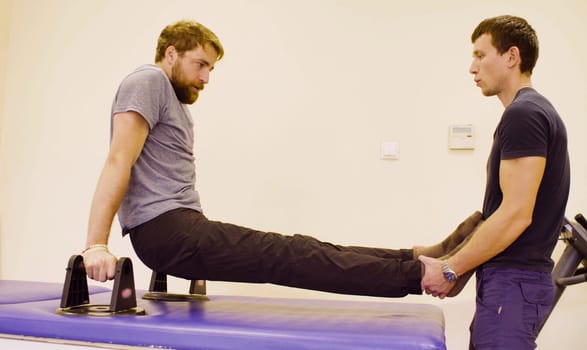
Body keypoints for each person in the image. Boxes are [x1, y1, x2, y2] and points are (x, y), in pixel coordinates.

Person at [82, 19, 483, 298]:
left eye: (211, 68)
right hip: (164, 232)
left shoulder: (174, 100)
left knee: (298, 247)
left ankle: (417, 257)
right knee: (287, 256)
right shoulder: (147, 80)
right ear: (171, 53)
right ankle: (422, 275)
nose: (206, 78)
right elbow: (119, 159)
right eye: (200, 64)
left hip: (181, 226)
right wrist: (95, 245)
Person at [419, 15, 570, 349]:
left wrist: (450, 269)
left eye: (480, 55)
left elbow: (515, 214)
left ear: (511, 57)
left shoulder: (524, 114)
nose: (472, 68)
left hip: (514, 284)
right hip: (511, 283)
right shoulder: (531, 112)